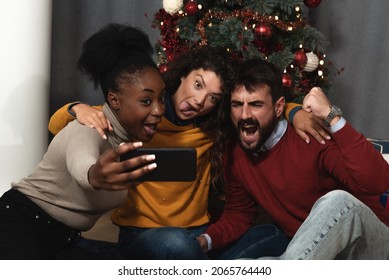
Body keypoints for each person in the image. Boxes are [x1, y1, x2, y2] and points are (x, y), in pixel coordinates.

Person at [48, 47, 329, 259]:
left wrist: (294, 113)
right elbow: (55, 124)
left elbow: (264, 108)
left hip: (200, 234)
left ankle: (197, 266)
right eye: (197, 85)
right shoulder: (138, 117)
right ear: (182, 75)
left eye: (213, 98)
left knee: (275, 235)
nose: (199, 101)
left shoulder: (213, 129)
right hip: (144, 235)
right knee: (176, 244)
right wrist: (77, 108)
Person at [0, 23, 166, 259]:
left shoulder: (128, 141)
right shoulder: (87, 128)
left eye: (162, 98)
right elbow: (82, 165)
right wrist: (95, 175)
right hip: (20, 224)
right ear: (114, 100)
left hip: (65, 239)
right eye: (147, 101)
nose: (160, 110)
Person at [198, 58, 389, 259]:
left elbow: (378, 183)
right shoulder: (235, 152)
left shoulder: (312, 135)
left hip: (373, 244)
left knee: (339, 201)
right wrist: (204, 241)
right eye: (237, 104)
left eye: (256, 104)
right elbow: (239, 213)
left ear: (279, 107)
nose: (245, 114)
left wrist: (330, 115)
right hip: (315, 256)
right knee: (247, 267)